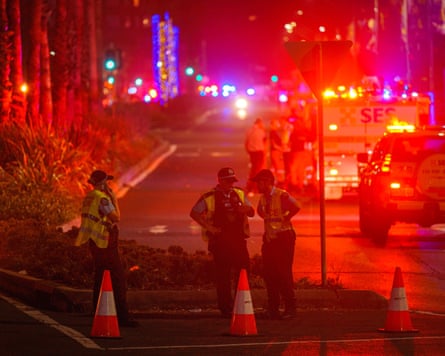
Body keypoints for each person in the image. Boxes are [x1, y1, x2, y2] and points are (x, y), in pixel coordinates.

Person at [75, 170, 138, 327]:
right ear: (102, 183)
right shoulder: (103, 199)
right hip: (105, 242)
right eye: (106, 182)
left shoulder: (89, 197)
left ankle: (97, 312)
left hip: (94, 241)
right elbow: (116, 217)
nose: (108, 185)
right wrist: (114, 198)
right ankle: (123, 317)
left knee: (100, 277)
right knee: (118, 278)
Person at [190, 167, 255, 318]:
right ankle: (226, 308)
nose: (230, 184)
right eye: (227, 181)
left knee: (243, 273)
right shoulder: (209, 196)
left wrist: (245, 210)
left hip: (239, 240)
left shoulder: (238, 193)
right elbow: (194, 212)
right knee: (223, 276)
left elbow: (251, 211)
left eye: (232, 181)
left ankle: (242, 304)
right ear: (220, 180)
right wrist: (209, 228)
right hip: (220, 242)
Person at [250, 169, 301, 320]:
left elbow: (296, 206)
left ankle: (290, 308)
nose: (257, 185)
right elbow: (260, 211)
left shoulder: (281, 195)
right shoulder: (263, 198)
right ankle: (273, 309)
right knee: (270, 274)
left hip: (283, 238)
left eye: (259, 182)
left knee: (283, 274)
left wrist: (286, 218)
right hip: (270, 239)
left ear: (267, 181)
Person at [245, 117, 267, 194]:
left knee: (253, 169)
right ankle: (255, 187)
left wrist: (248, 151)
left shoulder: (249, 131)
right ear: (259, 123)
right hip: (259, 152)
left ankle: (250, 186)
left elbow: (246, 143)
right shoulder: (261, 131)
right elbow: (265, 142)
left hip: (252, 152)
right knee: (258, 170)